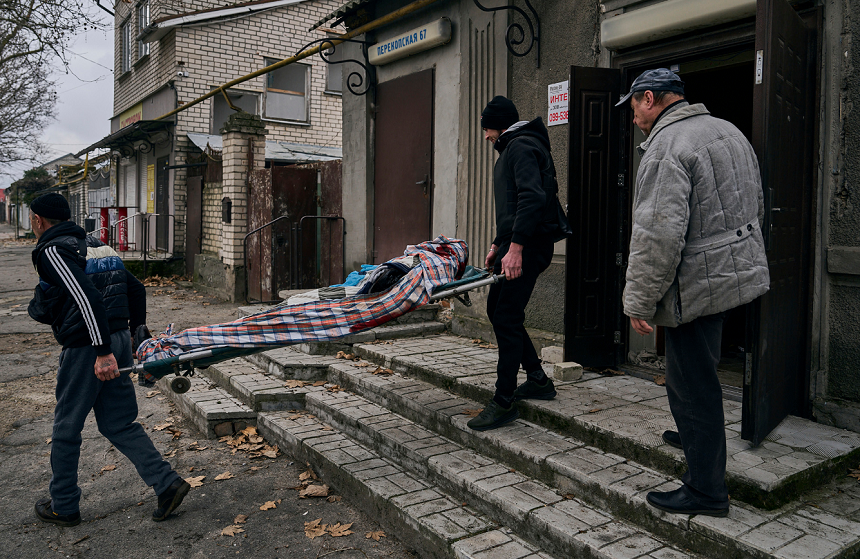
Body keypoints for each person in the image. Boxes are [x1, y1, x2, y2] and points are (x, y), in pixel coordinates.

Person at [618, 69, 770, 517]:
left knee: (691, 385)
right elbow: (754, 202)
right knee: (702, 369)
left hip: (696, 284)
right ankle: (693, 436)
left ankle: (706, 491)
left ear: (650, 99)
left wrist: (638, 301)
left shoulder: (667, 148)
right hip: (730, 275)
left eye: (633, 108)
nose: (632, 119)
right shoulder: (728, 130)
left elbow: (657, 236)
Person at [26, 193, 189, 526]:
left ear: (38, 220)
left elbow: (87, 298)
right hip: (115, 339)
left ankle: (64, 505)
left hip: (88, 347)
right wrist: (133, 335)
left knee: (66, 426)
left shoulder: (52, 250)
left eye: (32, 220)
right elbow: (136, 289)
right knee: (118, 422)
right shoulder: (97, 244)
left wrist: (101, 352)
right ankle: (167, 483)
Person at [467, 96, 571, 431]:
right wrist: (500, 243)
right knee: (499, 310)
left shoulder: (521, 147)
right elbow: (514, 206)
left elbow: (532, 198)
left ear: (498, 123)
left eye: (486, 128)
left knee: (507, 316)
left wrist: (516, 249)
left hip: (528, 247)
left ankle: (504, 400)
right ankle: (538, 379)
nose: (485, 136)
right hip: (517, 245)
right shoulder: (514, 147)